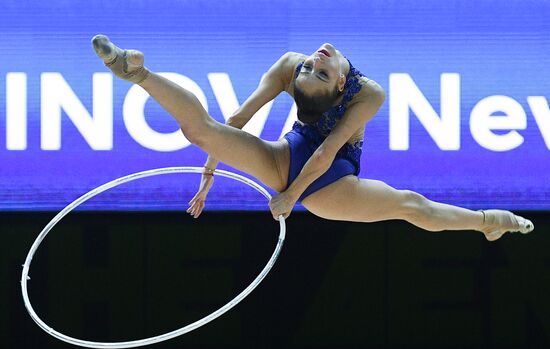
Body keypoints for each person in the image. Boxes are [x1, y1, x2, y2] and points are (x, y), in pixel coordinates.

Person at [91, 35, 534, 241]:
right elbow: (238, 120)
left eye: (320, 70)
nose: (315, 60)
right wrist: (209, 173)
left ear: (341, 85)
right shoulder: (290, 65)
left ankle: (487, 221)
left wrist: (292, 197)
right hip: (292, 152)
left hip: (333, 178)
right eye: (310, 68)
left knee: (410, 205)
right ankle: (138, 73)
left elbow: (328, 151)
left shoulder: (368, 94)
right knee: (198, 130)